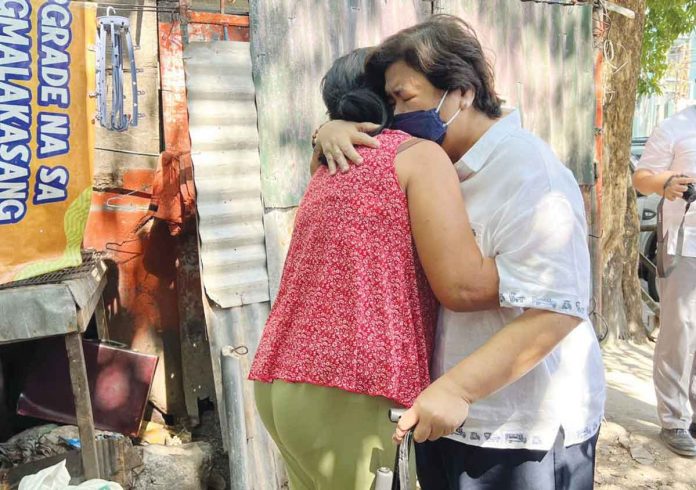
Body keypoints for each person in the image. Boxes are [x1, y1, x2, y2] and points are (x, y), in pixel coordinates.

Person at [315, 15, 606, 490]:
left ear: (463, 91)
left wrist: (458, 388)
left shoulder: (530, 173)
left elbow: (558, 308)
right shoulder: (430, 167)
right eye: (389, 103)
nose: (396, 115)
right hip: (443, 414)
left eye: (404, 97)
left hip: (518, 426)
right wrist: (328, 130)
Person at [249, 47, 499, 490]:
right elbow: (461, 284)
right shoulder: (418, 157)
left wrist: (324, 130)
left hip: (281, 379)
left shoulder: (328, 160)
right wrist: (546, 277)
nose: (408, 103)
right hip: (354, 384)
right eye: (398, 92)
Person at [633, 105, 696, 457]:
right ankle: (673, 420)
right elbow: (641, 178)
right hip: (684, 243)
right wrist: (666, 183)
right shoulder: (676, 126)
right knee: (681, 330)